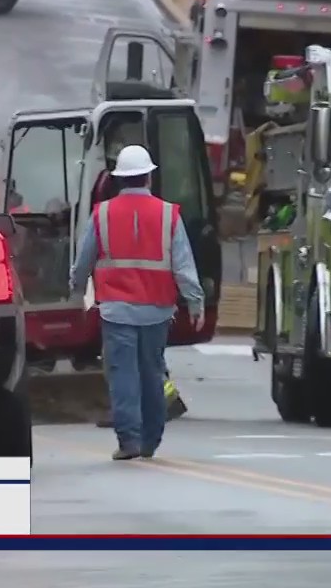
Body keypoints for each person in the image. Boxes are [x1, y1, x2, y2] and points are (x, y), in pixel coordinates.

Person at [70, 145, 205, 460]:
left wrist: (76, 293)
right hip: (157, 310)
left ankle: (129, 440)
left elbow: (83, 260)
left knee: (123, 375)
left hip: (116, 310)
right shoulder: (168, 214)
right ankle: (150, 439)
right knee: (152, 373)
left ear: (119, 180)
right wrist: (195, 302)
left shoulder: (102, 214)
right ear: (148, 177)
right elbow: (183, 265)